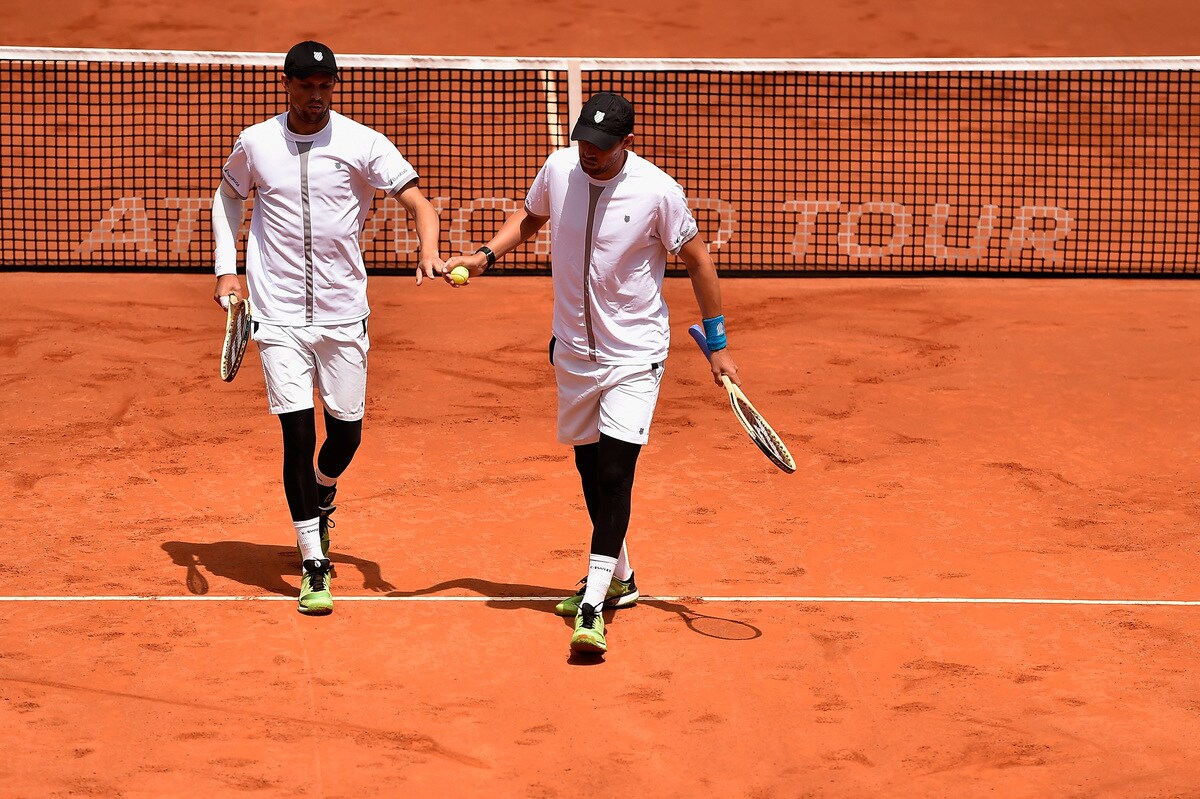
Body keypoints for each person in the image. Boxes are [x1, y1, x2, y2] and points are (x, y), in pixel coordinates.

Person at [443, 92, 739, 654]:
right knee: (588, 468)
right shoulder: (559, 168)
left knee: (615, 472)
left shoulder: (658, 191)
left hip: (634, 354)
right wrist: (485, 255)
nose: (589, 154)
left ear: (627, 142)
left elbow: (699, 262)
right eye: (584, 141)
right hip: (574, 352)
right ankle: (622, 578)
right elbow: (531, 217)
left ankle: (594, 604)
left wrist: (718, 343)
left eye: (601, 146)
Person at [210, 41, 445, 616]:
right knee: (295, 434)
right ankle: (313, 561)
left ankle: (323, 487)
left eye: (325, 86)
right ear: (286, 84)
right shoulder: (256, 143)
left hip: (343, 312)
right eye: (305, 86)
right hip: (278, 313)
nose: (316, 96)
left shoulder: (363, 143)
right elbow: (228, 196)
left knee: (345, 438)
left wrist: (428, 250)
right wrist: (226, 269)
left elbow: (419, 203)